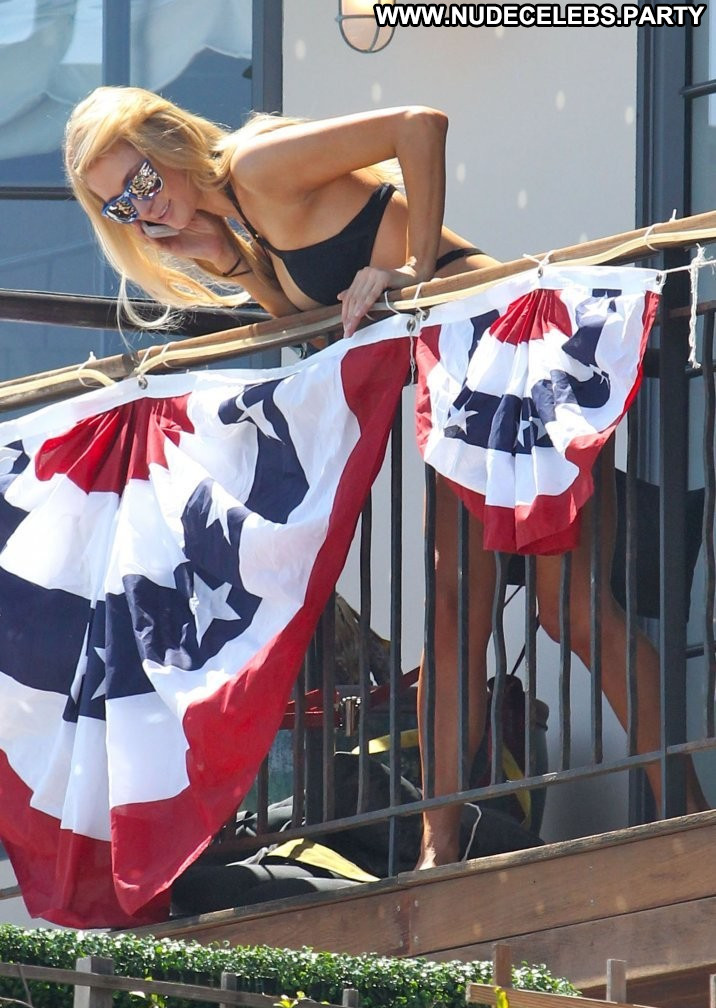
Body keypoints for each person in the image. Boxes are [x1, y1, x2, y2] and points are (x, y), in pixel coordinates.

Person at [64, 86, 705, 873]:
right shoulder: (244, 219)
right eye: (120, 207)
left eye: (140, 182)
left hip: (509, 342)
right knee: (457, 615)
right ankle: (441, 848)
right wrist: (222, 258)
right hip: (462, 369)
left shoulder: (257, 165)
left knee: (567, 609)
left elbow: (419, 126)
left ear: (169, 143)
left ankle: (686, 812)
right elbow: (311, 330)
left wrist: (416, 274)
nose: (142, 209)